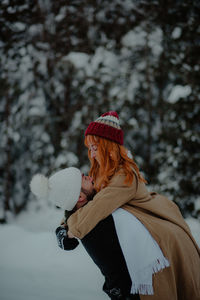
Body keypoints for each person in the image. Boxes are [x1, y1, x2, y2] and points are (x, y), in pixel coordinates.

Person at [66, 111, 200, 300]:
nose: (92, 153)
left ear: (108, 147)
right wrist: (64, 225)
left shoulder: (124, 175)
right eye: (90, 148)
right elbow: (85, 203)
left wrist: (71, 229)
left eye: (96, 147)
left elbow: (97, 207)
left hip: (159, 234)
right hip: (135, 232)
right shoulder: (100, 173)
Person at [30, 167, 140, 300]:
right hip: (131, 292)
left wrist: (62, 228)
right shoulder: (95, 217)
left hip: (126, 289)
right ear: (80, 197)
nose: (90, 177)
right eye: (84, 178)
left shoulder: (83, 217)